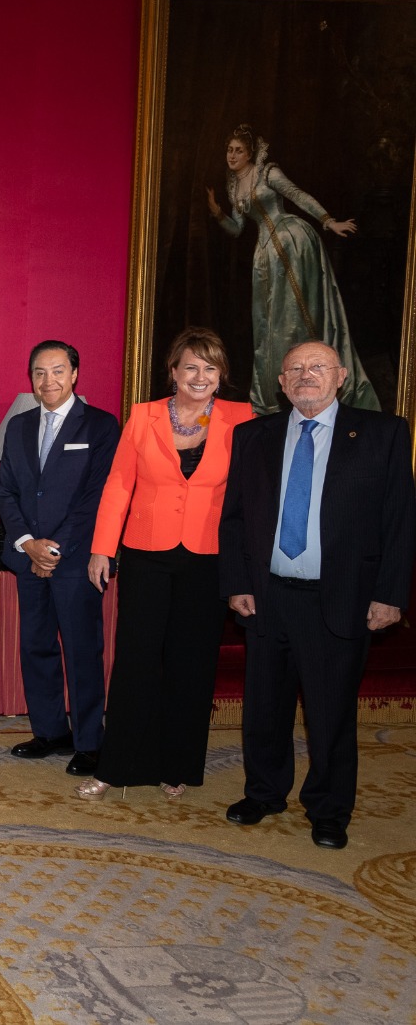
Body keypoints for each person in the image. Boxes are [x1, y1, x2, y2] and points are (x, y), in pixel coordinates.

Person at [219, 340, 414, 849]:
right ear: (281, 383)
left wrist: (390, 594)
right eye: (295, 369)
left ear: (341, 376)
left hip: (341, 597)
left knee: (330, 714)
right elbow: (234, 518)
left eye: (318, 367)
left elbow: (399, 520)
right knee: (264, 707)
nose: (306, 375)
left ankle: (329, 809)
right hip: (268, 596)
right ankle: (264, 792)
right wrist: (237, 582)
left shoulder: (383, 433)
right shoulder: (253, 436)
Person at [79, 327, 252, 800]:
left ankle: (176, 766)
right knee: (136, 660)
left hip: (208, 557)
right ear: (173, 371)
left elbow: (249, 496)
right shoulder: (144, 415)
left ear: (221, 375)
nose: (200, 376)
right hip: (146, 553)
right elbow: (119, 484)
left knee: (191, 663)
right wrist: (102, 548)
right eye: (191, 366)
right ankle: (116, 767)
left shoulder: (242, 418)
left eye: (210, 367)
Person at [0, 341, 120, 776]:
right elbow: (6, 490)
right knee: (36, 647)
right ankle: (49, 732)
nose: (48, 381)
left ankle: (89, 742)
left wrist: (53, 548)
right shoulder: (19, 425)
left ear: (75, 374)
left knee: (82, 651)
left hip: (76, 561)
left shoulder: (101, 425)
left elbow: (96, 497)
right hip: (29, 558)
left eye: (58, 371)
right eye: (39, 372)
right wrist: (27, 543)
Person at [205, 123, 378, 415]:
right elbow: (237, 229)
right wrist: (218, 212)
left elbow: (298, 196)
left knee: (297, 313)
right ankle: (281, 391)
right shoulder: (234, 186)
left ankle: (315, 378)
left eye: (239, 150)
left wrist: (329, 221)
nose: (232, 156)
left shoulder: (268, 172)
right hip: (265, 255)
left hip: (292, 241)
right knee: (269, 322)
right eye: (229, 150)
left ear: (250, 153)